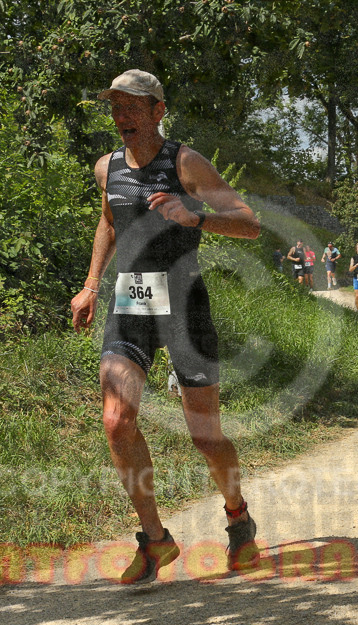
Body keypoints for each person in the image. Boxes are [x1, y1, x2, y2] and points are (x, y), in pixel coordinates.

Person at [70, 69, 260, 584]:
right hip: (130, 300)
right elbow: (109, 222)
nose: (121, 116)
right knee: (116, 420)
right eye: (115, 106)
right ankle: (155, 540)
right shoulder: (106, 168)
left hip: (183, 303)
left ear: (158, 110)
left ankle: (238, 516)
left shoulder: (186, 162)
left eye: (133, 105)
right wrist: (90, 285)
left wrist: (193, 217)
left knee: (206, 436)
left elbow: (248, 222)